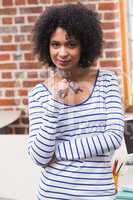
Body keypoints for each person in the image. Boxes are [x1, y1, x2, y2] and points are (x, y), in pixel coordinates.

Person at [27, 4, 124, 199]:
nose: (62, 53)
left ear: (85, 45)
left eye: (71, 44)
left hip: (98, 194)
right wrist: (55, 103)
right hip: (53, 193)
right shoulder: (38, 94)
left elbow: (113, 137)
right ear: (47, 46)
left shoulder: (106, 81)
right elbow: (38, 156)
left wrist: (57, 153)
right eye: (55, 44)